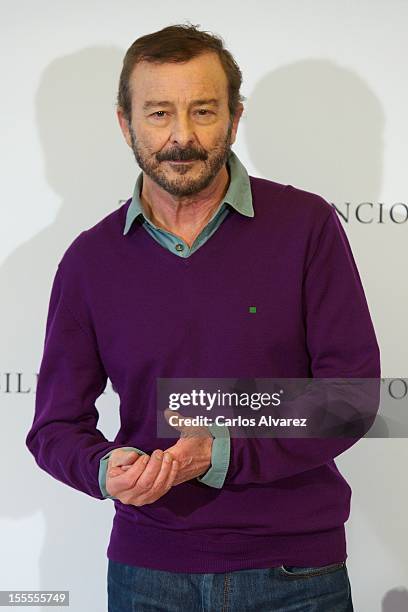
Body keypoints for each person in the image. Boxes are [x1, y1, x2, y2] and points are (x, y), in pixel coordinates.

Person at [26, 23, 380, 612]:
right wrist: (102, 467)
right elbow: (53, 428)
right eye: (159, 113)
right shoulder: (90, 261)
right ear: (125, 123)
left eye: (204, 111)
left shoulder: (306, 226)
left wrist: (219, 451)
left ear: (236, 118)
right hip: (147, 574)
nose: (182, 136)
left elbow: (352, 398)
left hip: (297, 572)